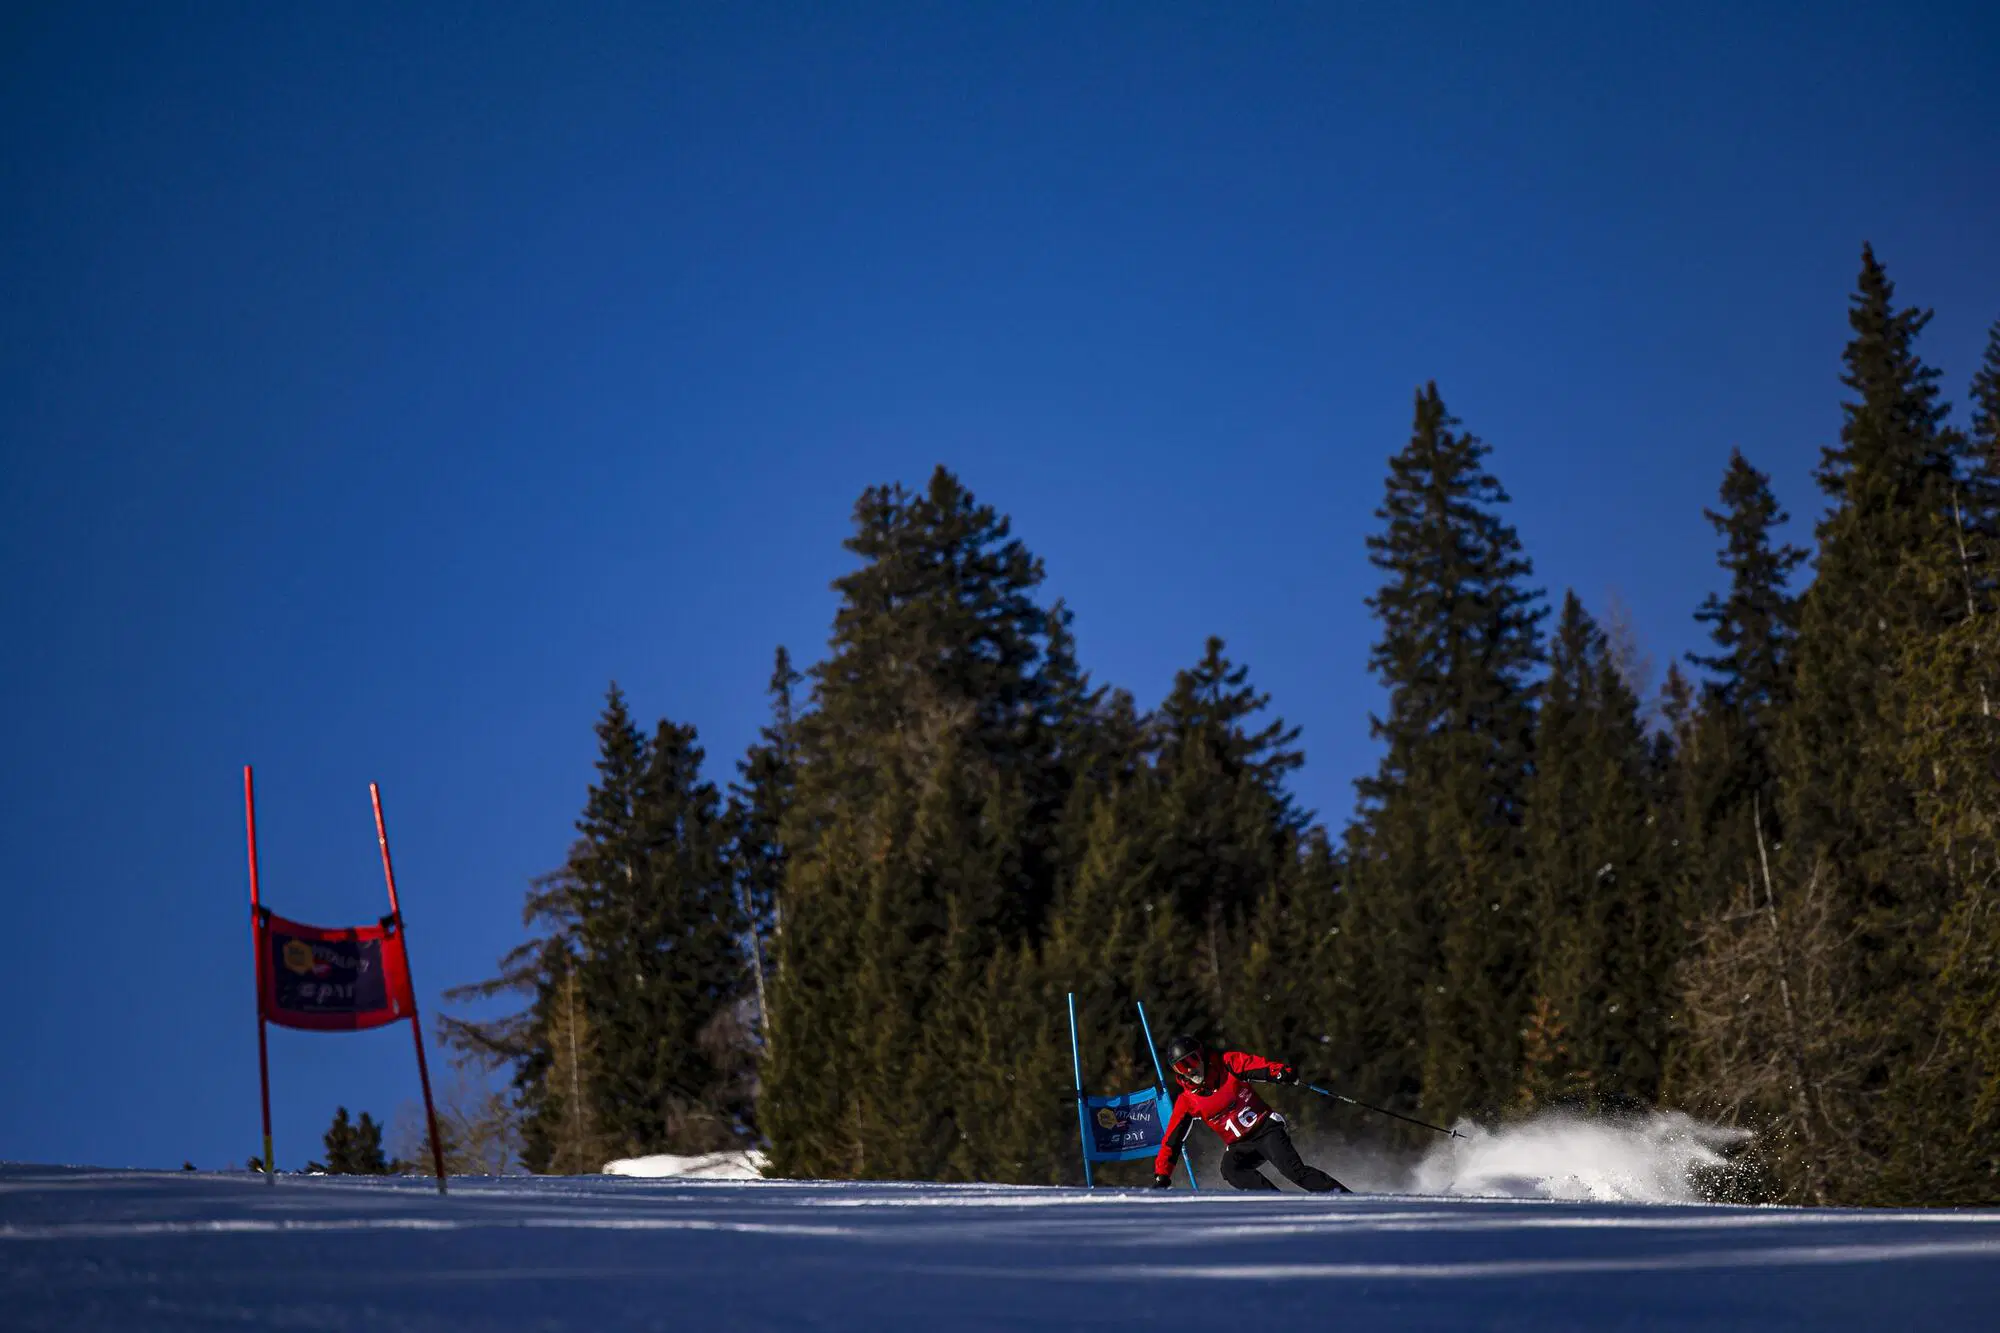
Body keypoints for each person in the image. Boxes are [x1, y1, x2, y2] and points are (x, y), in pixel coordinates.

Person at [1152, 1033, 1349, 1193]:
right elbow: (1171, 1141)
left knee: (1294, 1172)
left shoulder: (1227, 1064)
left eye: (1192, 1060)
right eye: (1181, 1067)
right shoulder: (1187, 1101)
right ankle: (1273, 1202)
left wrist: (1280, 1072)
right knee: (1230, 1169)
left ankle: (1343, 1197)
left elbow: (1256, 1065)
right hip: (1240, 1144)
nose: (1190, 1069)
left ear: (1201, 1055)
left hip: (1266, 1129)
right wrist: (1162, 1174)